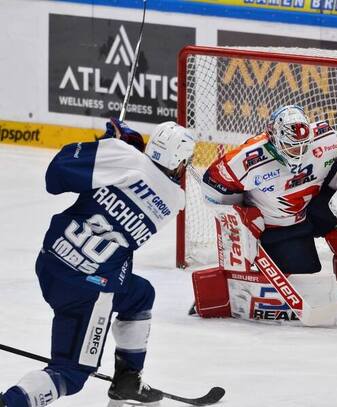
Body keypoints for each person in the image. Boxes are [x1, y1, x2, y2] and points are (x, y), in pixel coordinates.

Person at [0, 118, 196, 407]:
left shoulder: (121, 155)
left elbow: (55, 177)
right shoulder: (175, 199)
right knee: (71, 374)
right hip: (88, 290)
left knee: (140, 294)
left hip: (52, 262)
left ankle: (128, 380)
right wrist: (117, 148)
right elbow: (143, 176)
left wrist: (102, 146)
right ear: (178, 162)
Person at [200, 105, 337, 320]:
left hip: (311, 208)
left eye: (302, 146)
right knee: (306, 281)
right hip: (276, 228)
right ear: (274, 139)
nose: (298, 153)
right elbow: (212, 187)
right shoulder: (245, 160)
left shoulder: (326, 139)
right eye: (291, 147)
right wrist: (241, 216)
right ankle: (236, 291)